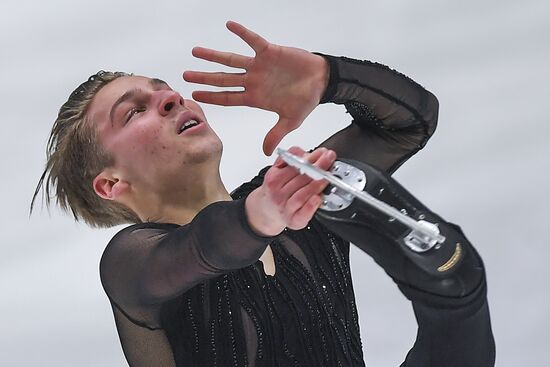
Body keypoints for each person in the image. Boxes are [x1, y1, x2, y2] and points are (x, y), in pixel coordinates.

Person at [33, 21, 495, 366]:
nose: (172, 100)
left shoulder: (296, 198)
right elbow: (201, 247)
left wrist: (330, 79)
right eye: (133, 113)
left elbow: (408, 124)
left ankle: (454, 289)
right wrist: (258, 215)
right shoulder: (130, 264)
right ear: (112, 184)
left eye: (166, 91)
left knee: (457, 289)